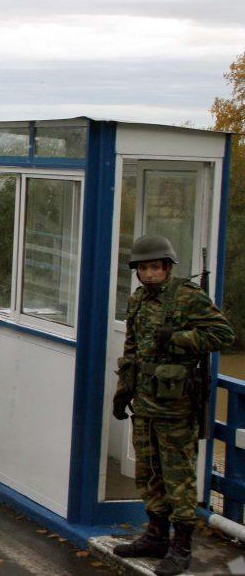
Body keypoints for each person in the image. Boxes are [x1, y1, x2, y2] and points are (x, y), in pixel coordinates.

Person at [111, 235, 235, 575]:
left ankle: (181, 546)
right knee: (147, 472)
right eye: (143, 268)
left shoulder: (187, 297)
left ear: (167, 267)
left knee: (178, 477)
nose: (149, 274)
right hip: (146, 403)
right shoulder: (137, 300)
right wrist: (123, 391)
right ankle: (155, 536)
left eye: (155, 268)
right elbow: (132, 349)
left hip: (176, 406)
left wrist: (179, 338)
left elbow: (224, 334)